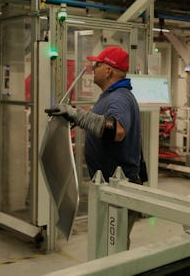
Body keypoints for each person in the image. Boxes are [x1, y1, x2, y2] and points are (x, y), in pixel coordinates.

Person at [45, 46, 142, 248]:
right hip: (109, 184)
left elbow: (116, 130)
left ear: (109, 71)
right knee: (107, 242)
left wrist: (75, 114)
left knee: (114, 244)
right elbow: (101, 123)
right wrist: (77, 120)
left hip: (119, 187)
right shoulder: (109, 95)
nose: (92, 68)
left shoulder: (120, 97)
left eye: (97, 64)